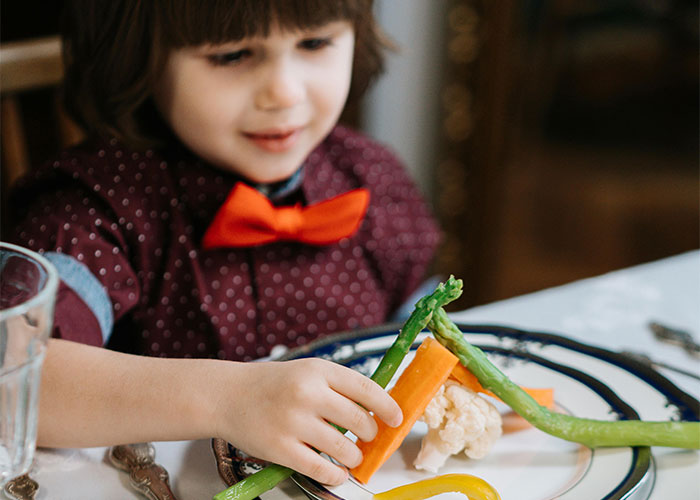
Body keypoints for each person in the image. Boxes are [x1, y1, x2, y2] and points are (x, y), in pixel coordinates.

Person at [8, 0, 441, 486]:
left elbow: (422, 331)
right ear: (141, 57)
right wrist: (225, 398)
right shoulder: (95, 208)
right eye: (233, 55)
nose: (284, 92)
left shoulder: (374, 179)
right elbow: (17, 383)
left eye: (315, 43)